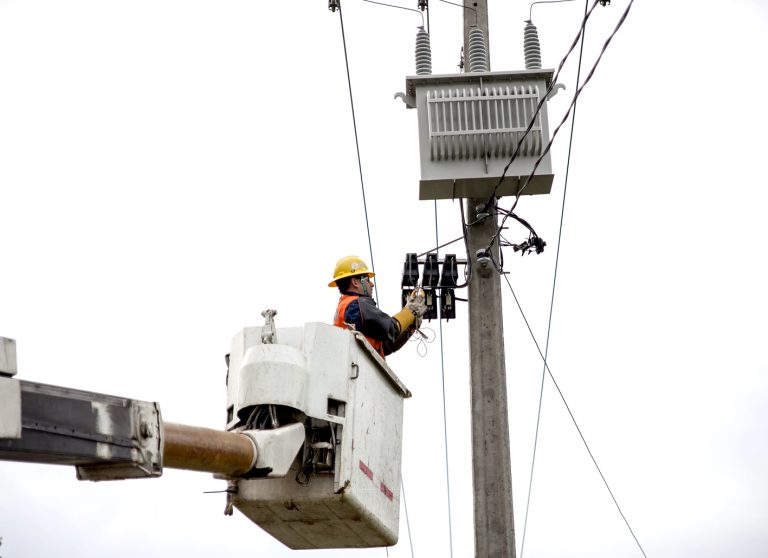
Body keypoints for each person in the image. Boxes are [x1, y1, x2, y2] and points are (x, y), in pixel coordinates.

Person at [329, 255, 426, 358]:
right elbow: (390, 329)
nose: (371, 284)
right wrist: (411, 311)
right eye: (367, 279)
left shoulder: (347, 306)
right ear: (355, 282)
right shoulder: (356, 304)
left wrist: (410, 327)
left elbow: (386, 346)